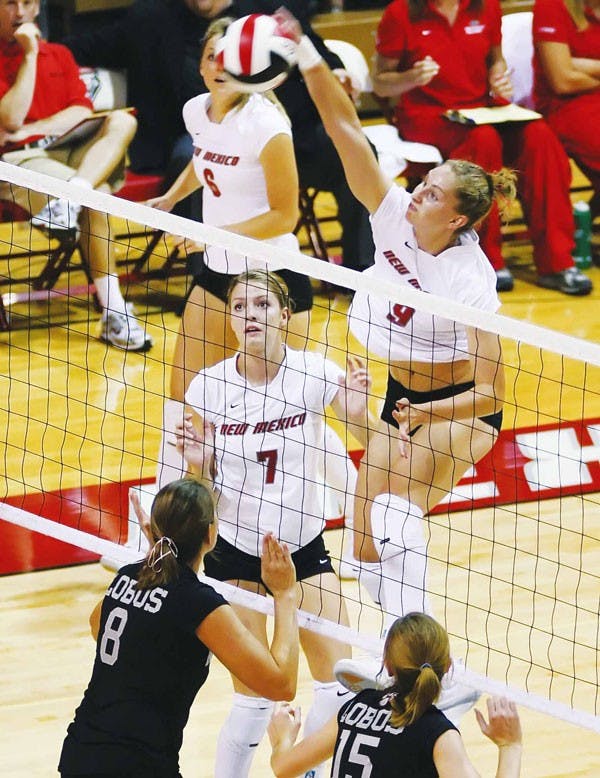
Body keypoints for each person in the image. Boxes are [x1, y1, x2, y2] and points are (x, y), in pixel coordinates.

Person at [276, 8, 511, 721]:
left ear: (462, 220)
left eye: (433, 193)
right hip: (405, 400)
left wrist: (425, 413)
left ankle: (425, 671)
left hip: (459, 411)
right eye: (424, 182)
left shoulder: (472, 282)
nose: (418, 194)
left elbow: (491, 389)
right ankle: (410, 660)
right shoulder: (392, 218)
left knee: (396, 516)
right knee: (367, 538)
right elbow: (347, 130)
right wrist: (307, 54)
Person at [177, 269, 372, 778]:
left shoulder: (314, 373)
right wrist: (198, 461)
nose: (249, 316)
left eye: (261, 305)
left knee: (341, 685)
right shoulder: (208, 387)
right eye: (239, 307)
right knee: (256, 697)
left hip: (302, 549)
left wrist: (357, 413)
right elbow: (198, 487)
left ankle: (299, 769)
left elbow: (370, 442)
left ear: (284, 316)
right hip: (236, 552)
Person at [63, 0, 376, 277]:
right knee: (190, 154)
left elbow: (319, 54)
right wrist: (33, 53)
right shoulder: (151, 17)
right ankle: (207, 270)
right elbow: (78, 48)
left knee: (357, 154)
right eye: (213, 56)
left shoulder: (266, 12)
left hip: (291, 140)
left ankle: (360, 271)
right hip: (201, 137)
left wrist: (337, 75)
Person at [147, 16, 314, 492]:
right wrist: (172, 199)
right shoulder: (198, 112)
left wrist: (209, 237)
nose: (220, 68)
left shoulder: (267, 125)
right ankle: (168, 522)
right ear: (200, 65)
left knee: (287, 412)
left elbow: (285, 216)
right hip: (218, 275)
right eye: (212, 58)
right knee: (185, 399)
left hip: (272, 279)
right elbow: (206, 159)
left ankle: (337, 515)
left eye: (231, 60)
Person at [58, 477, 299, 777]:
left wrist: (154, 566)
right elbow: (281, 685)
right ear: (210, 535)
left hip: (81, 753)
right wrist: (285, 595)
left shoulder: (127, 577)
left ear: (156, 531)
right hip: (138, 764)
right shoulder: (197, 603)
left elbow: (99, 626)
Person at [371, 0, 593, 296]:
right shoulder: (401, 13)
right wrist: (412, 77)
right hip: (428, 115)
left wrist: (498, 78)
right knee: (483, 140)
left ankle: (557, 262)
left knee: (540, 136)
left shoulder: (486, 7)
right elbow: (380, 84)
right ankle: (488, 260)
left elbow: (496, 60)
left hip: (480, 109)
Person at [0, 0, 152, 350]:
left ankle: (73, 193)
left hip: (66, 149)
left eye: (27, 3)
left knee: (123, 120)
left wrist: (32, 128)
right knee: (97, 197)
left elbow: (80, 110)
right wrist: (30, 56)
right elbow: (9, 119)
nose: (20, 12)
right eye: (10, 3)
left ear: (38, 8)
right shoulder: (31, 55)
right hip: (17, 161)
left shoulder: (61, 55)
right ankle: (115, 312)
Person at [267, 612, 523, 778]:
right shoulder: (438, 734)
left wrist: (283, 738)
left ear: (387, 665)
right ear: (447, 668)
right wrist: (509, 745)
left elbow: (283, 767)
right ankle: (450, 707)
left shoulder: (355, 707)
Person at [532, 0, 600, 223]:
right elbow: (562, 80)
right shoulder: (551, 6)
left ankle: (581, 225)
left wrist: (578, 64)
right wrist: (570, 66)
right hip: (567, 106)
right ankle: (578, 229)